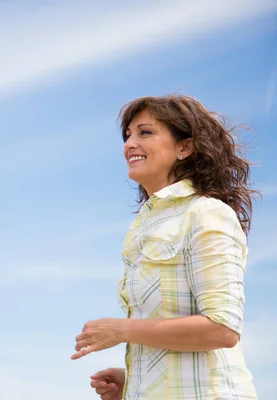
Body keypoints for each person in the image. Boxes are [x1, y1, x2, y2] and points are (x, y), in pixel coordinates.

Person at [70, 94, 259, 399]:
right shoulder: (145, 226)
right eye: (128, 135)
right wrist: (132, 381)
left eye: (145, 132)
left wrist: (121, 331)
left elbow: (221, 329)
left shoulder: (206, 213)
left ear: (185, 147)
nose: (130, 143)